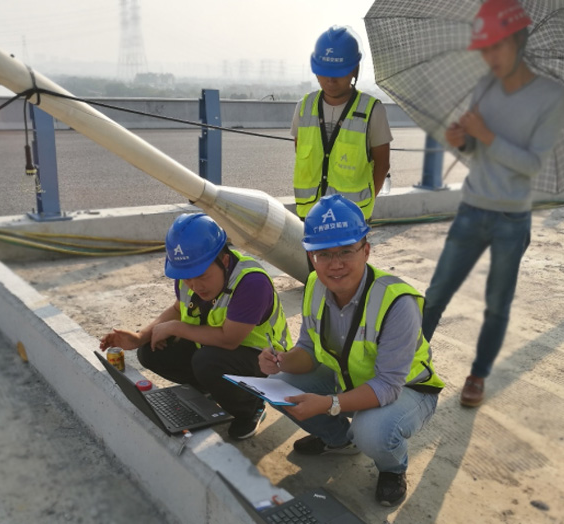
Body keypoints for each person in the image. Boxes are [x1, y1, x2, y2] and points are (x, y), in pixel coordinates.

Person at [421, 0, 564, 408]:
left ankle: (477, 376)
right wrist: (463, 140)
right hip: (471, 208)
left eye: (497, 46)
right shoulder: (484, 85)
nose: (490, 57)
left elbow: (532, 164)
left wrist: (485, 135)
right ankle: (406, 361)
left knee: (497, 305)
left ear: (520, 40)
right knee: (436, 293)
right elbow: (476, 150)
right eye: (484, 49)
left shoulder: (551, 96)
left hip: (511, 218)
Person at [258, 195, 443, 507]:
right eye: (324, 254)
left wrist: (329, 404)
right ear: (311, 256)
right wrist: (281, 361)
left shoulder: (397, 302)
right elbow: (308, 351)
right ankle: (339, 442)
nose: (336, 264)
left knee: (370, 431)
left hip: (408, 389)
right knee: (279, 385)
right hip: (350, 379)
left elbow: (388, 385)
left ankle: (392, 467)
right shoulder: (315, 286)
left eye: (346, 251)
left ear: (366, 250)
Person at [99, 213, 292, 440]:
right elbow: (178, 308)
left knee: (207, 361)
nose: (194, 285)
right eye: (187, 277)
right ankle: (209, 390)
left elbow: (229, 339)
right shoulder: (187, 274)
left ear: (225, 262)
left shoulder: (251, 282)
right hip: (217, 350)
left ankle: (251, 407)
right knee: (151, 351)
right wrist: (140, 336)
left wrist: (175, 328)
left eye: (201, 276)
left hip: (264, 360)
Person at [291, 26, 392, 223]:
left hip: (351, 219)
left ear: (354, 69)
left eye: (338, 73)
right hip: (311, 215)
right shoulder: (304, 107)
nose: (330, 80)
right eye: (324, 72)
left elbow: (382, 164)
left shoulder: (372, 111)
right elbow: (299, 148)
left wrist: (366, 204)